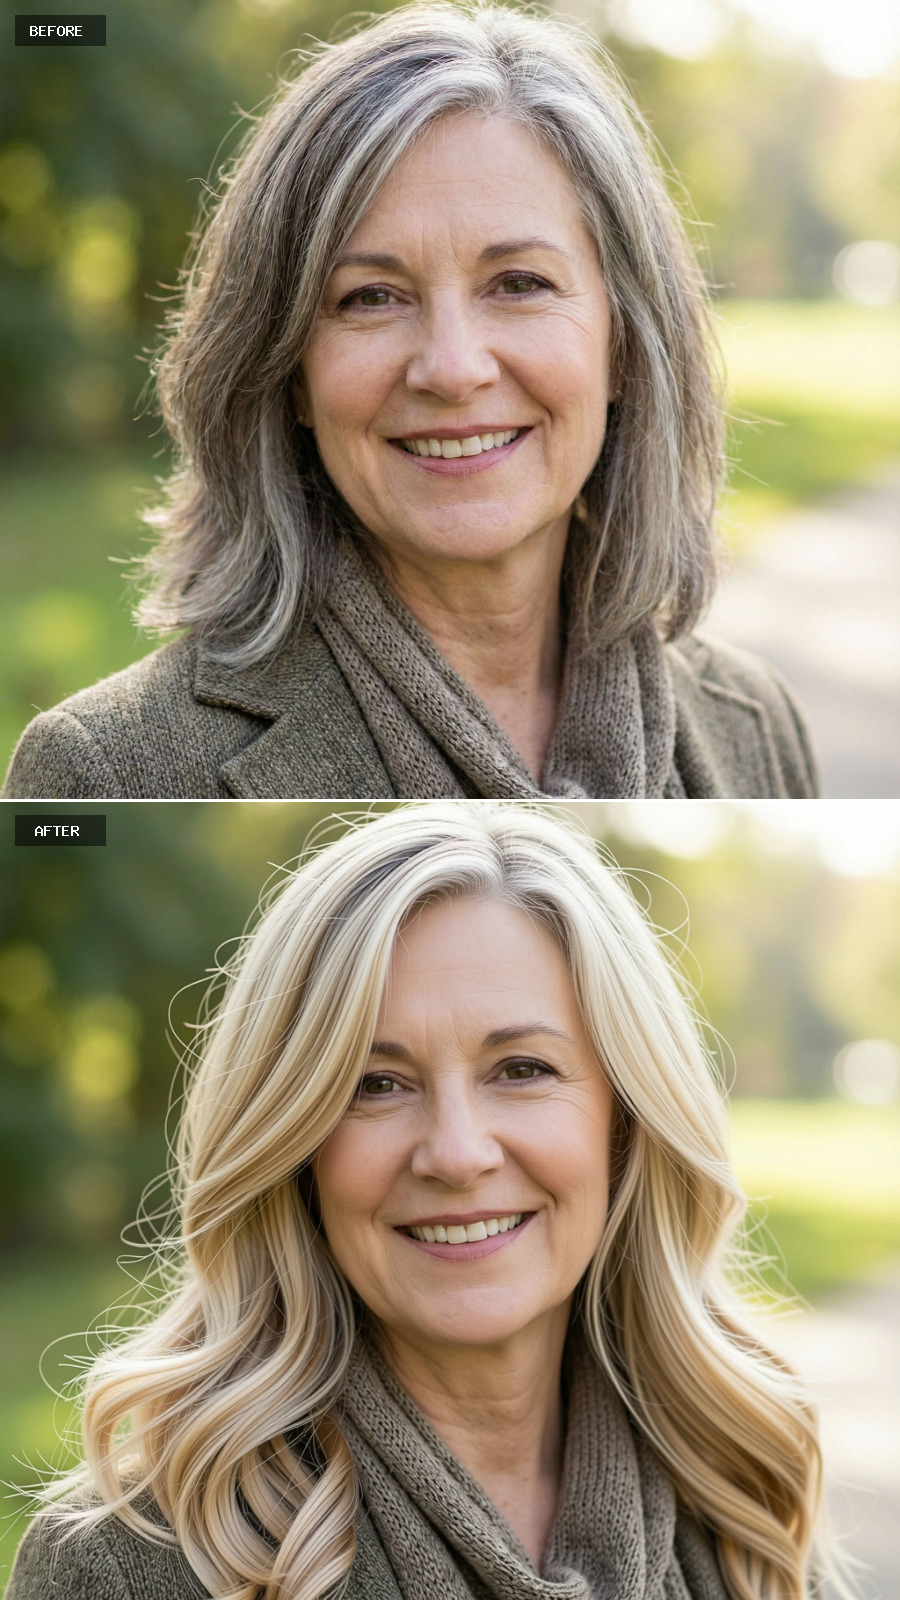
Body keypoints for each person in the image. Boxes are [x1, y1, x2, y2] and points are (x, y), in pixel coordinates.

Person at [8, 804, 851, 1600]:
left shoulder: (739, 1498)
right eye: (374, 1084)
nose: (455, 1153)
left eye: (521, 1070)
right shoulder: (125, 1567)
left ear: (626, 1122)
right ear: (296, 1148)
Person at [3, 4, 818, 801]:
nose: (453, 368)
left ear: (627, 347)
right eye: (371, 297)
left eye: (520, 283)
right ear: (288, 372)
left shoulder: (754, 722)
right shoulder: (106, 770)